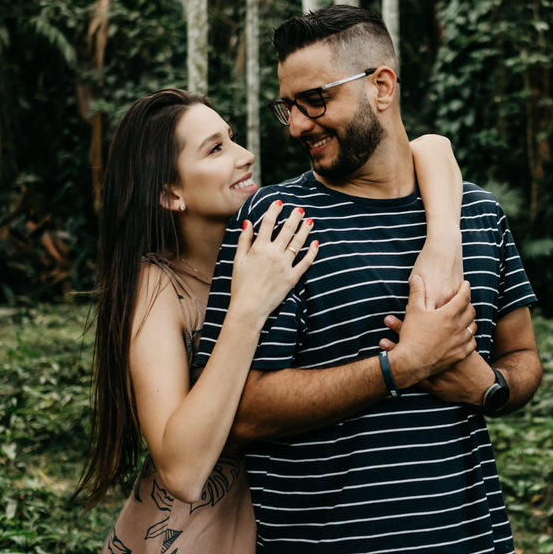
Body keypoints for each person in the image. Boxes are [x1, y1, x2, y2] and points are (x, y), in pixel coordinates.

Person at [194, 5, 543, 553]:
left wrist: (491, 389)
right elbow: (237, 414)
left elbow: (523, 355)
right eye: (289, 107)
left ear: (381, 86)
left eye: (316, 100)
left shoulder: (476, 213)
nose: (299, 124)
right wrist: (399, 368)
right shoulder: (275, 219)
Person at [73, 88, 475, 554]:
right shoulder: (158, 286)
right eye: (216, 149)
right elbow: (181, 471)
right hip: (198, 533)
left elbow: (433, 147)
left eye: (233, 138)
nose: (246, 156)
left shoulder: (275, 232)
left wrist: (443, 241)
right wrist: (247, 307)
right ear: (171, 193)